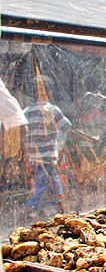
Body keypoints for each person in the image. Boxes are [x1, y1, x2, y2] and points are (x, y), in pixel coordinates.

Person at [23, 84, 72, 218]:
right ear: (48, 91)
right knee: (43, 185)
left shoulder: (26, 111)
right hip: (48, 157)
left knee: (52, 181)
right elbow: (67, 126)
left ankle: (62, 209)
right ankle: (28, 209)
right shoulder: (52, 110)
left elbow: (21, 131)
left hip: (33, 157)